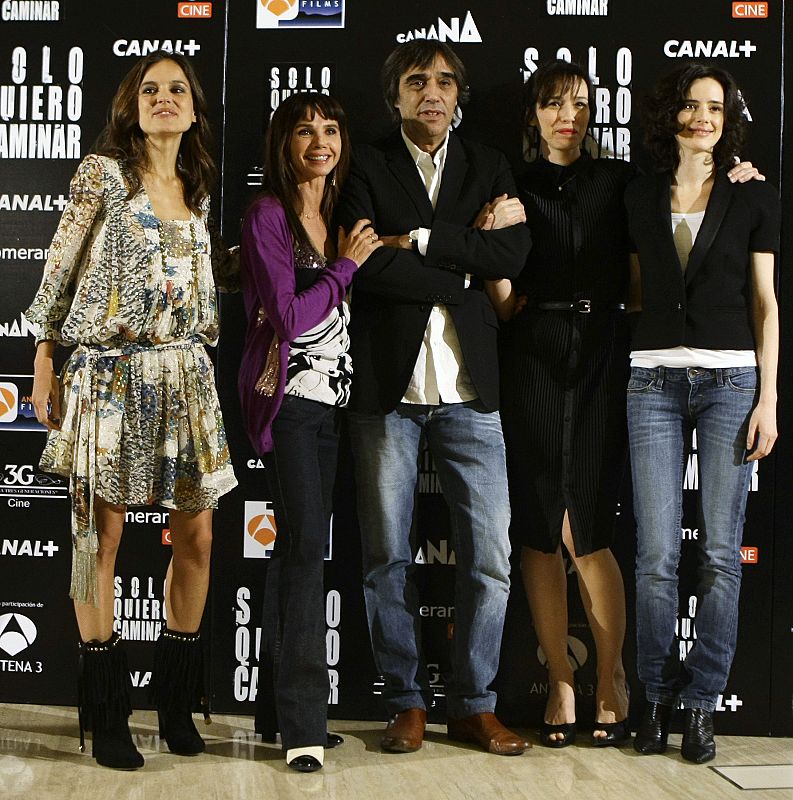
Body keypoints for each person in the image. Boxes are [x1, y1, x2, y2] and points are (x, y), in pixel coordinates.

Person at [26, 51, 237, 769]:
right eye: (150, 89)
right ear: (130, 105)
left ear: (193, 107)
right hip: (107, 377)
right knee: (98, 544)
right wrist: (44, 359)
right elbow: (58, 267)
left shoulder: (200, 187)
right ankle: (107, 712)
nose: (164, 99)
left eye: (177, 89)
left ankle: (176, 703)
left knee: (200, 540)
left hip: (185, 376)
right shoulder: (101, 175)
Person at [337, 40, 532, 756]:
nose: (432, 92)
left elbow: (511, 257)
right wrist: (461, 264)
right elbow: (364, 267)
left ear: (459, 96)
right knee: (386, 556)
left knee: (489, 559)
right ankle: (405, 701)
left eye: (445, 82)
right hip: (385, 392)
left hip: (471, 395)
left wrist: (418, 238)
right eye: (417, 81)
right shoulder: (365, 162)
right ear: (394, 96)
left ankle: (475, 705)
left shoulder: (488, 164)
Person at [625, 63, 779, 763]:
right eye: (689, 106)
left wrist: (769, 400)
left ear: (728, 119)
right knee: (655, 556)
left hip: (730, 385)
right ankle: (653, 698)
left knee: (720, 554)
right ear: (670, 116)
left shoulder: (752, 197)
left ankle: (701, 705)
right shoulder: (637, 195)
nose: (700, 118)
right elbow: (632, 288)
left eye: (713, 108)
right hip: (650, 380)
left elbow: (766, 305)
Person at [485, 59, 636, 749]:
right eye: (552, 103)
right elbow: (505, 298)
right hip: (531, 354)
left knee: (587, 530)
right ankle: (560, 681)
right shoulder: (509, 183)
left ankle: (609, 676)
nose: (565, 115)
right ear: (532, 115)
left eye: (578, 103)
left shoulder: (619, 181)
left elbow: (644, 272)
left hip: (600, 355)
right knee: (540, 527)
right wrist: (490, 252)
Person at [237, 92, 380, 772]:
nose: (319, 141)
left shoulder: (342, 215)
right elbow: (287, 317)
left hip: (334, 409)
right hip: (290, 402)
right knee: (302, 555)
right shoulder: (269, 215)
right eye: (303, 131)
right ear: (283, 144)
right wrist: (346, 269)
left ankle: (276, 714)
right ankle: (301, 724)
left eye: (330, 128)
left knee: (295, 549)